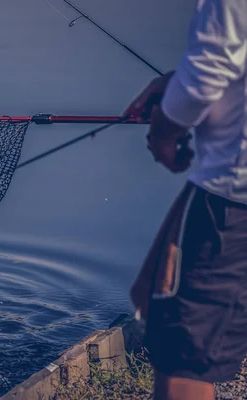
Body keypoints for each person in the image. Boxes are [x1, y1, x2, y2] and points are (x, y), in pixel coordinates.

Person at [123, 1, 247, 399]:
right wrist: (176, 82)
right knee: (146, 290)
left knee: (183, 366)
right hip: (223, 185)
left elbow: (209, 68)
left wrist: (163, 132)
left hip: (231, 198)